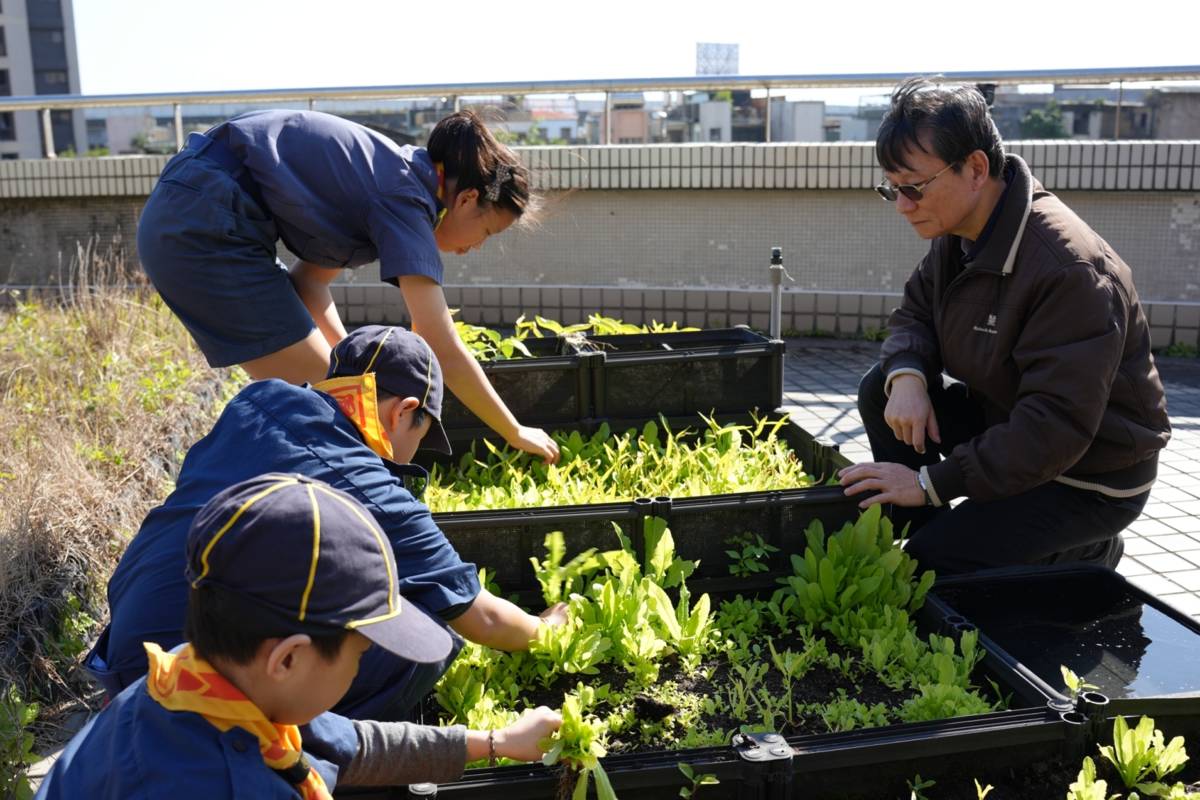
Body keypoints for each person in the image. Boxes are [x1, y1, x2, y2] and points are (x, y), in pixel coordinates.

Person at [86, 325, 567, 722]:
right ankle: (308, 747)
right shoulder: (370, 485)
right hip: (189, 686)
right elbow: (480, 616)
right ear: (405, 413)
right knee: (428, 640)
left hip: (128, 640)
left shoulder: (257, 402)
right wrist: (548, 630)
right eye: (421, 436)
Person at [37, 474, 561, 799]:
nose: (361, 668)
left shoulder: (197, 681)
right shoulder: (226, 785)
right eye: (359, 654)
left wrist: (496, 744)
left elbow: (352, 745)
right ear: (288, 659)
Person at [838, 78, 1171, 575]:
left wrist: (931, 481)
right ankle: (932, 533)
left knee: (931, 565)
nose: (903, 205)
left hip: (1087, 476)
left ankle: (1081, 552)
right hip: (1011, 427)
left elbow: (1054, 428)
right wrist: (907, 377)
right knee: (881, 390)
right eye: (893, 189)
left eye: (913, 187)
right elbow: (915, 311)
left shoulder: (1068, 270)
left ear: (975, 168)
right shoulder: (960, 231)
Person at [136, 107, 559, 463]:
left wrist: (354, 369)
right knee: (346, 417)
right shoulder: (408, 198)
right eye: (485, 232)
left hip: (191, 208)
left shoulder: (394, 176)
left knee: (341, 401)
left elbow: (309, 285)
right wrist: (514, 429)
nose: (475, 248)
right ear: (466, 199)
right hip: (204, 225)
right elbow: (438, 341)